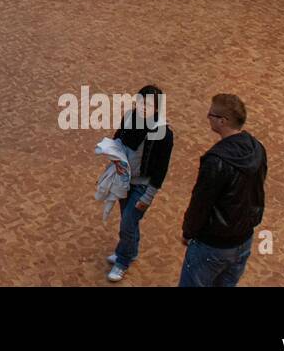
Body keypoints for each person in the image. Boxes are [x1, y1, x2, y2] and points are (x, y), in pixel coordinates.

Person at [178, 94, 268, 288]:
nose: (207, 117)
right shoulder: (258, 148)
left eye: (210, 114)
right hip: (243, 240)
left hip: (213, 245)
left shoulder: (215, 161)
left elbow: (201, 203)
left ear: (223, 121)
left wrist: (188, 231)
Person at [106, 86, 173, 282]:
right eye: (141, 102)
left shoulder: (163, 134)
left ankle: (123, 261)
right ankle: (128, 250)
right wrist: (113, 157)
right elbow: (117, 139)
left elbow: (161, 169)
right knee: (128, 220)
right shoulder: (129, 118)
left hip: (142, 186)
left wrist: (148, 196)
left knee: (128, 222)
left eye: (150, 104)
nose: (144, 107)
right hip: (124, 179)